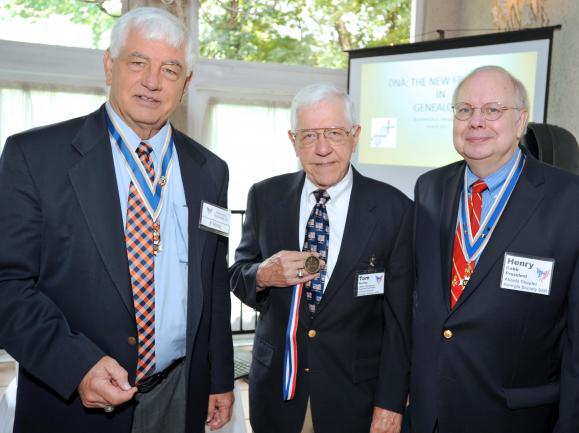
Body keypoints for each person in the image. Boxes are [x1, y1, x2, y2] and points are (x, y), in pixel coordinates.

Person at [0, 7, 233, 433]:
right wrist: (76, 364)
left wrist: (219, 378)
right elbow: (7, 285)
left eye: (170, 69)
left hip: (179, 391)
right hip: (73, 402)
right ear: (109, 65)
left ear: (185, 84)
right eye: (138, 62)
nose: (152, 81)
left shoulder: (210, 171)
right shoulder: (34, 157)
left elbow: (214, 280)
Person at [229, 83, 413, 433]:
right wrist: (264, 275)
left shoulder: (395, 210)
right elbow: (239, 274)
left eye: (335, 133)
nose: (323, 148)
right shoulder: (265, 196)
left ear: (355, 136)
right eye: (309, 135)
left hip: (355, 397)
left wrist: (391, 402)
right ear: (293, 140)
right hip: (277, 391)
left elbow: (400, 322)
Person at [409, 65, 579, 433]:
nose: (476, 121)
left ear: (520, 121)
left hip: (515, 416)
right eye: (464, 110)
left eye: (492, 110)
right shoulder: (429, 188)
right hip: (430, 413)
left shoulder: (570, 200)